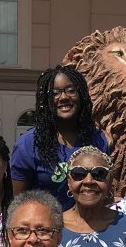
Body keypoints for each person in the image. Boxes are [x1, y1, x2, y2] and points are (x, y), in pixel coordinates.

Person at [11, 65, 108, 210]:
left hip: (91, 221)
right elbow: (19, 203)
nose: (63, 97)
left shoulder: (98, 139)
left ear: (81, 95)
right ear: (45, 100)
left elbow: (105, 189)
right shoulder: (28, 144)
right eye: (54, 93)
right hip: (46, 222)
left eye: (71, 90)